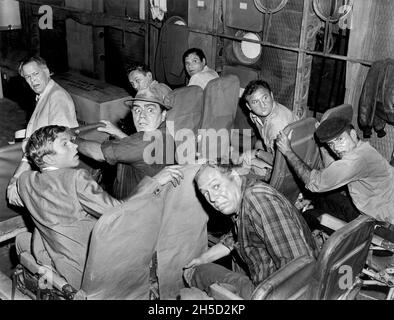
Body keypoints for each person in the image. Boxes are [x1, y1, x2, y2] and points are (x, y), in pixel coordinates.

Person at [15, 125, 184, 289]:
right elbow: (119, 211)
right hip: (90, 272)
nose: (75, 145)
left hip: (58, 263)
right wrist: (153, 182)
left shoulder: (25, 181)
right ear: (48, 158)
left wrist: (26, 154)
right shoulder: (76, 178)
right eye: (65, 143)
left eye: (72, 141)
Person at [183, 162, 317, 299]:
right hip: (269, 283)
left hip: (275, 293)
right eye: (205, 193)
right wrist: (204, 258)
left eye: (216, 186)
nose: (212, 199)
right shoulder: (245, 196)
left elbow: (299, 268)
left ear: (234, 176)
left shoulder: (256, 199)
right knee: (202, 266)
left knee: (196, 273)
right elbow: (237, 236)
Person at [276, 116, 394, 225]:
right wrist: (322, 144)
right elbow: (332, 169)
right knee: (323, 197)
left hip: (379, 221)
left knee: (309, 216)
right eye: (331, 143)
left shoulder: (356, 161)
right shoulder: (363, 149)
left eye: (340, 139)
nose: (336, 148)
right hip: (378, 202)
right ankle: (307, 204)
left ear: (353, 134)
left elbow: (314, 182)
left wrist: (287, 151)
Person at [76, 86, 175, 199]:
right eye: (137, 110)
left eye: (150, 110)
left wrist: (71, 139)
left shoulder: (146, 140)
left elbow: (98, 153)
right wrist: (118, 133)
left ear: (163, 115)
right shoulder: (166, 134)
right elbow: (137, 151)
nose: (141, 116)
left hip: (134, 210)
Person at [7, 56, 78, 207]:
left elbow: (60, 146)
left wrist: (19, 178)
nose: (33, 80)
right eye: (27, 77)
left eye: (36, 74)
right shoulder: (45, 95)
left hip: (55, 176)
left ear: (46, 71)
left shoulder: (57, 98)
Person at [237, 80, 298, 180]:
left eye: (265, 98)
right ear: (249, 106)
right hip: (290, 151)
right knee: (257, 144)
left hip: (290, 166)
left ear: (272, 96)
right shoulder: (254, 115)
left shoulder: (276, 125)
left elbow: (280, 162)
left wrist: (256, 153)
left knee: (246, 162)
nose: (262, 105)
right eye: (255, 102)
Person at [119, 63, 172, 135]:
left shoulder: (159, 89)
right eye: (132, 83)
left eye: (137, 80)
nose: (135, 86)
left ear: (149, 76)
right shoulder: (146, 92)